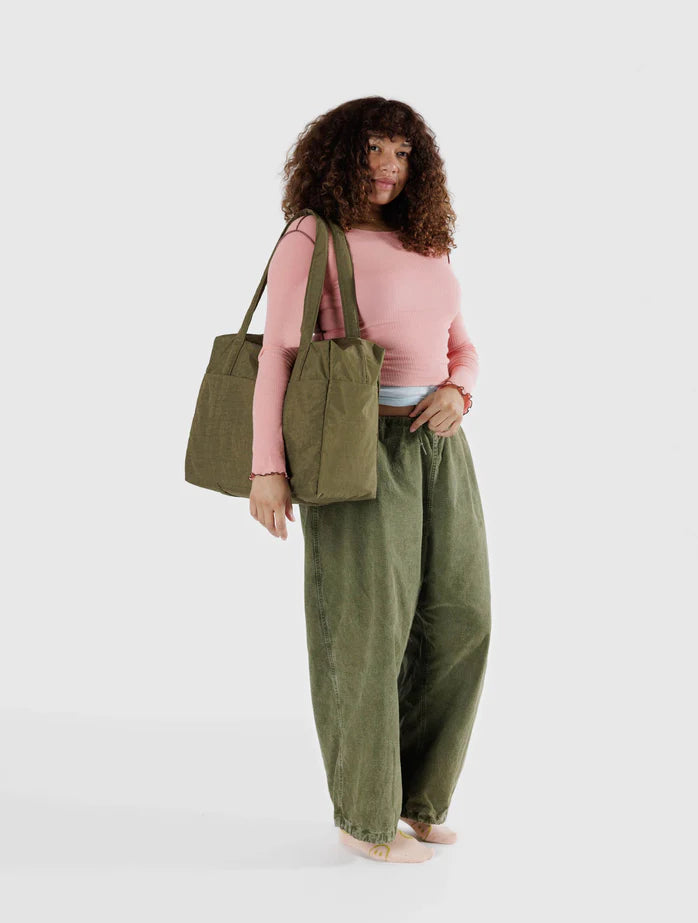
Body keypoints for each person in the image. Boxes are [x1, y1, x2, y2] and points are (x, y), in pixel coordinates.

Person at [249, 97, 492, 863]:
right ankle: (365, 815)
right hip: (352, 446)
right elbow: (276, 355)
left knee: (460, 617)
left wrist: (458, 390)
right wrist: (267, 468)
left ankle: (419, 798)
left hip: (439, 447)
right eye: (373, 150)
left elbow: (461, 345)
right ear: (339, 157)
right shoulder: (311, 237)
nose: (388, 166)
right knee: (365, 630)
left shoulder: (427, 241)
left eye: (402, 152)